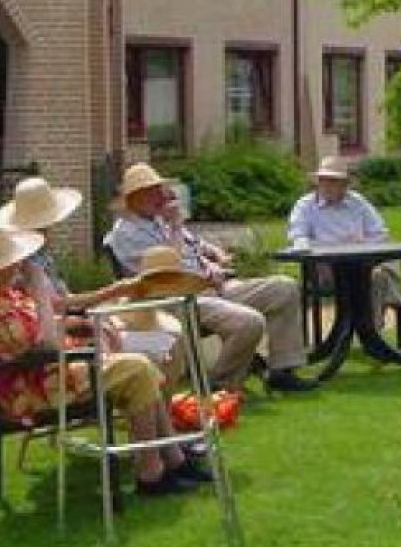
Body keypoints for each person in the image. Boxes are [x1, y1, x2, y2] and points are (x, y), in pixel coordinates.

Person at [0, 223, 210, 497]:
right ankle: (154, 472)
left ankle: (169, 462)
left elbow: (38, 329)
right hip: (33, 388)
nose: (18, 263)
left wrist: (81, 326)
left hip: (45, 373)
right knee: (139, 367)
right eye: (11, 259)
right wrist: (38, 289)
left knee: (140, 365)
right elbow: (44, 344)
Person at [104, 163, 317, 392]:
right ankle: (218, 386)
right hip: (176, 301)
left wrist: (214, 255)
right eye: (151, 191)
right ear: (134, 199)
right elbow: (169, 271)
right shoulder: (125, 234)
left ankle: (282, 371)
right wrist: (176, 227)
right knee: (248, 322)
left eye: (159, 188)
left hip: (211, 288)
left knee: (283, 288)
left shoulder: (156, 220)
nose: (160, 195)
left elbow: (193, 245)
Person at [0, 176, 185, 383]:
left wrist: (108, 300)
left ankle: (162, 406)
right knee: (168, 343)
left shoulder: (40, 254)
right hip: (72, 339)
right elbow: (55, 306)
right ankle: (159, 404)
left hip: (77, 326)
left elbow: (64, 299)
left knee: (163, 332)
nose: (51, 228)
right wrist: (112, 293)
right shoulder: (26, 263)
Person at [286, 156, 401, 347]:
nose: (328, 185)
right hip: (326, 269)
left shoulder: (358, 203)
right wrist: (325, 248)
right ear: (318, 182)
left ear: (345, 184)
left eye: (335, 181)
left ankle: (372, 334)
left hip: (362, 264)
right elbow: (298, 237)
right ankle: (400, 324)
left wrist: (361, 245)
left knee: (384, 268)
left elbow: (380, 233)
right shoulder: (305, 206)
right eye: (324, 180)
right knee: (380, 274)